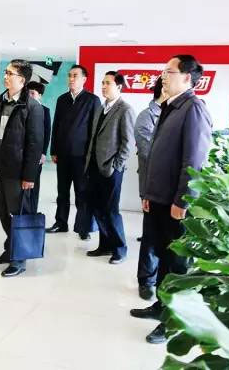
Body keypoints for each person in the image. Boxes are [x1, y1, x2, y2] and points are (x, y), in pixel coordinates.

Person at [130, 55, 213, 344]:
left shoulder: (194, 108)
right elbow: (157, 155)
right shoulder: (170, 106)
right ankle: (161, 306)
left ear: (187, 77)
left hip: (175, 203)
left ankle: (174, 321)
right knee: (163, 258)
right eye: (163, 71)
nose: (163, 76)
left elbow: (194, 161)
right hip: (159, 199)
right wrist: (150, 194)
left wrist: (183, 201)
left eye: (169, 71)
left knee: (177, 263)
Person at [0, 60, 44, 277]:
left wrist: (29, 175)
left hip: (18, 171)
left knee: (19, 214)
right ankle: (10, 249)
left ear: (22, 79)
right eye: (6, 72)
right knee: (4, 214)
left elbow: (35, 144)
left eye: (10, 73)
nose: (6, 76)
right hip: (1, 168)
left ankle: (19, 259)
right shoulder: (2, 101)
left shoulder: (32, 107)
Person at [85, 71, 135, 264]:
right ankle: (105, 245)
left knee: (111, 210)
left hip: (111, 169)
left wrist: (116, 165)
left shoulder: (125, 110)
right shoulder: (101, 107)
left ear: (119, 87)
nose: (103, 86)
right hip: (94, 167)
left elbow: (128, 143)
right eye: (103, 83)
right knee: (98, 208)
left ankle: (120, 249)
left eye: (108, 83)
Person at [47, 65, 102, 240]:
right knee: (62, 192)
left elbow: (95, 129)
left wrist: (92, 155)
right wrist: (53, 149)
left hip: (82, 156)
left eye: (75, 76)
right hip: (63, 155)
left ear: (84, 79)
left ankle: (83, 228)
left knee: (82, 193)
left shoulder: (92, 100)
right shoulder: (62, 99)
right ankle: (61, 223)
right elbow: (56, 125)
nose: (71, 79)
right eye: (69, 75)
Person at [134, 77, 168, 300]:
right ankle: (147, 280)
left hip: (172, 186)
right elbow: (148, 153)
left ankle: (163, 280)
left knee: (166, 237)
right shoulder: (146, 116)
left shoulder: (176, 113)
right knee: (151, 236)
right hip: (153, 184)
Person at [26, 81, 51, 211]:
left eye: (33, 93)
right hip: (23, 153)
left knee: (34, 184)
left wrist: (43, 153)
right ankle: (22, 213)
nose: (29, 96)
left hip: (37, 153)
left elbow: (47, 133)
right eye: (27, 93)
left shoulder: (45, 111)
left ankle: (33, 212)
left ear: (40, 95)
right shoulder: (22, 108)